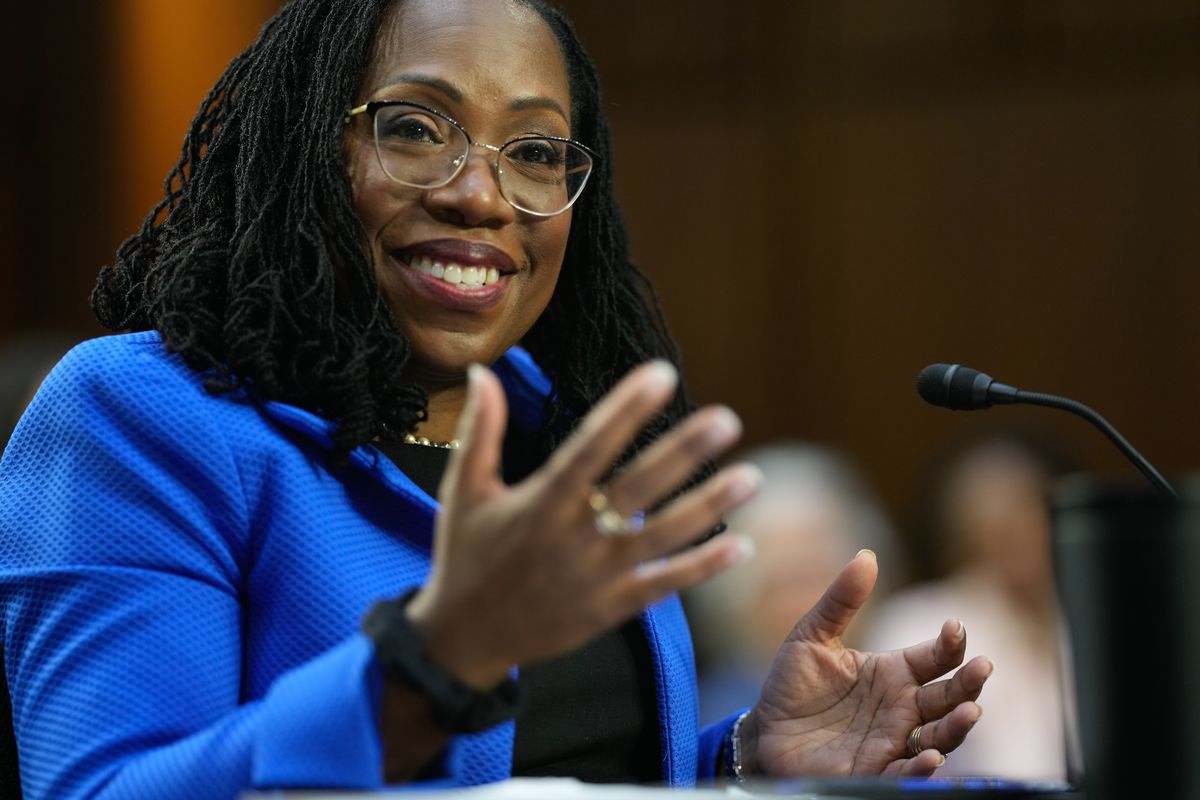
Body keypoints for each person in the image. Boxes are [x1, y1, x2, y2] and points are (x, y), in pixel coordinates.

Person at [0, 1, 991, 798]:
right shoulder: (139, 416)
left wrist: (742, 763)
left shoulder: (575, 442)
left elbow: (564, 774)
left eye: (533, 150)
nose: (481, 194)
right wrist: (432, 664)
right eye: (417, 129)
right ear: (310, 149)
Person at [861, 431, 1069, 780]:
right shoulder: (915, 622)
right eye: (995, 524)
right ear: (957, 533)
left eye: (1025, 509)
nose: (1018, 536)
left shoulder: (1096, 619)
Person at [685, 443, 902, 726]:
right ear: (739, 607)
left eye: (823, 574)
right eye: (789, 584)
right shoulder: (722, 716)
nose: (820, 602)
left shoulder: (898, 682)